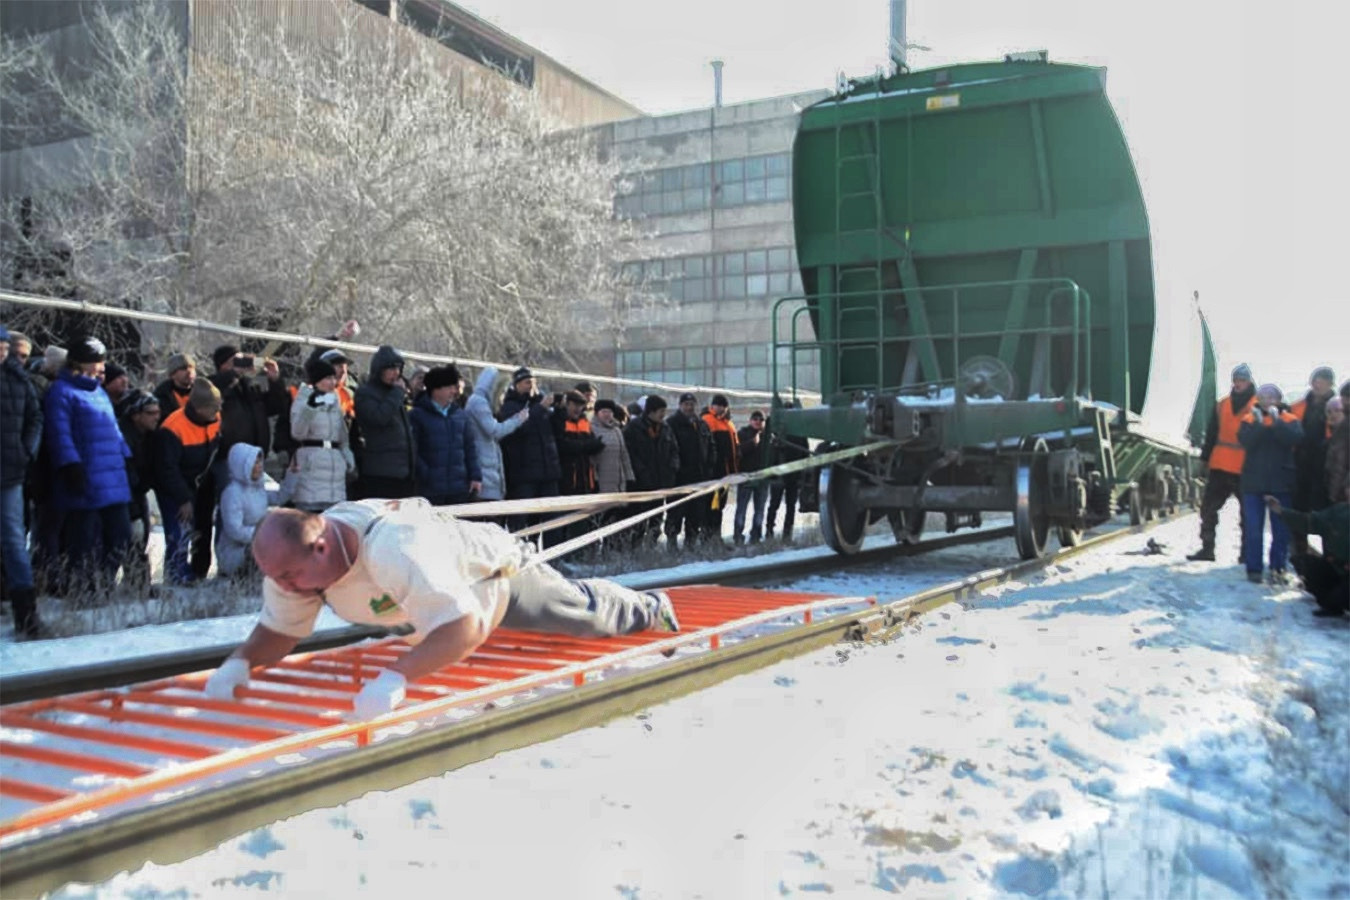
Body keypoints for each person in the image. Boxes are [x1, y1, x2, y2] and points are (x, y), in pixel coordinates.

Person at [202, 500, 681, 719]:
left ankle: (648, 606)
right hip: (433, 603)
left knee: (580, 616)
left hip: (493, 581)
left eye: (288, 577)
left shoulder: (397, 549)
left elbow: (465, 625)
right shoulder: (296, 564)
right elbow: (281, 627)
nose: (284, 588)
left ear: (323, 547)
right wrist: (241, 662)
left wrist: (396, 678)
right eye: (275, 578)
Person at [44, 335, 134, 592]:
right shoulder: (61, 392)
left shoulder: (99, 393)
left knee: (120, 537)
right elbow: (60, 434)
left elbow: (114, 429)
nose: (101, 367)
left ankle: (104, 583)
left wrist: (126, 456)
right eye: (96, 362)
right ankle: (82, 589)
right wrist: (71, 465)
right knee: (83, 540)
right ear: (80, 364)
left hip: (112, 476)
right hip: (85, 475)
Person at [155, 379, 223, 584]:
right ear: (199, 408)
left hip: (198, 483)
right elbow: (167, 469)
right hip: (174, 486)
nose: (217, 412)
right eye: (213, 408)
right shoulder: (172, 428)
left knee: (198, 527)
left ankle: (193, 571)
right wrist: (184, 499)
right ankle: (176, 575)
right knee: (179, 531)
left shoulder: (215, 418)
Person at [1188, 364, 1257, 562]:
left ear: (1249, 382)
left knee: (1248, 515)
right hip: (1220, 466)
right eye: (1236, 379)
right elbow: (1211, 434)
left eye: (1242, 380)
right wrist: (1204, 460)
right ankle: (1207, 549)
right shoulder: (1222, 405)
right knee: (1208, 509)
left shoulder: (1258, 405)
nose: (1238, 383)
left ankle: (1246, 554)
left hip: (1246, 469)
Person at [0, 324, 44, 637]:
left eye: (4, 347)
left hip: (10, 471)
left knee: (15, 540)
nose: (3, 353)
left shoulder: (18, 378)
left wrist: (27, 451)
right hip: (12, 469)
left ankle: (26, 615)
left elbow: (35, 417)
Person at [1237, 383, 1302, 583]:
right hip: (1253, 484)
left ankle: (1278, 567)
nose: (1266, 400)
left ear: (1279, 400)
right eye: (1263, 397)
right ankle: (1254, 569)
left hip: (1280, 483)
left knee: (1280, 530)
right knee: (1254, 528)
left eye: (1271, 397)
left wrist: (1275, 422)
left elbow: (1294, 439)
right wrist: (1258, 424)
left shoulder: (1289, 419)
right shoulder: (1249, 419)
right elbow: (1246, 442)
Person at [497, 367, 562, 533]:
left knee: (551, 519)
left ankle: (552, 555)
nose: (531, 386)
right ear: (517, 385)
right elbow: (518, 427)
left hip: (547, 472)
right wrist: (540, 408)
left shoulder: (542, 405)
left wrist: (559, 409)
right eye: (527, 383)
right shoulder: (510, 406)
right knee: (521, 519)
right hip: (523, 474)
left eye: (534, 383)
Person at [1267, 491, 1348, 617]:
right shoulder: (1338, 512)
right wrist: (1281, 511)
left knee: (1342, 593)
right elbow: (1309, 521)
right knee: (1303, 562)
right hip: (1338, 568)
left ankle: (1338, 600)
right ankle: (1332, 607)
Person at [289, 357, 356, 512]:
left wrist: (346, 454)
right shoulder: (303, 399)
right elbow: (297, 432)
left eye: (333, 377)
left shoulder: (335, 401)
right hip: (312, 467)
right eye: (328, 378)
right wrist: (310, 408)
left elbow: (342, 435)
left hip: (335, 472)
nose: (333, 382)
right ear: (316, 381)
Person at [410, 365, 482, 506]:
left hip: (459, 489)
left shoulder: (461, 416)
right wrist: (426, 474)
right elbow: (413, 450)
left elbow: (470, 448)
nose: (454, 391)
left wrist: (475, 476)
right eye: (449, 387)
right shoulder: (417, 415)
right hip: (430, 490)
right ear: (436, 388)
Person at [353, 345, 417, 500]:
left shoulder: (396, 394)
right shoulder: (366, 393)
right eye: (390, 369)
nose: (396, 373)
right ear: (379, 369)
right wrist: (397, 394)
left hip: (404, 471)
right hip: (381, 471)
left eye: (398, 368)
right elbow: (378, 418)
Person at [1289, 366, 1337, 555]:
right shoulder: (1297, 406)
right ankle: (1299, 554)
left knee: (1327, 515)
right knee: (1299, 511)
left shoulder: (1339, 406)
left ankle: (1331, 557)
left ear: (1330, 384)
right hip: (1300, 467)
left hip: (1327, 469)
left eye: (1323, 381)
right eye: (1316, 381)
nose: (1318, 385)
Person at [465, 367, 528, 503]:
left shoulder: (482, 403)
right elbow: (495, 431)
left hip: (489, 470)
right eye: (503, 390)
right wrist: (517, 420)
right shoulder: (478, 402)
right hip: (484, 472)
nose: (503, 395)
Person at [624, 395, 680, 548]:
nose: (663, 414)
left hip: (662, 483)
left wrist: (672, 468)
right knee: (639, 521)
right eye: (661, 411)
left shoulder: (666, 428)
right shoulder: (634, 428)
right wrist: (642, 473)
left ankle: (652, 547)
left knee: (657, 519)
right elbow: (630, 455)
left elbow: (674, 451)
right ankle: (635, 550)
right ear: (651, 411)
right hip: (641, 485)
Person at [119, 391, 161, 592]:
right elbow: (128, 477)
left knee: (139, 540)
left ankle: (139, 585)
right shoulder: (125, 437)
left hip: (137, 492)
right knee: (131, 539)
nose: (156, 416)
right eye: (150, 413)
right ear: (136, 415)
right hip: (124, 496)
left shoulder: (150, 436)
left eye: (157, 412)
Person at [216, 443, 269, 579]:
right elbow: (234, 530)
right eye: (254, 462)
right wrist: (261, 535)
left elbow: (280, 497)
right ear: (242, 464)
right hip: (234, 552)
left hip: (257, 543)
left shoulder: (258, 489)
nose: (259, 466)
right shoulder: (232, 493)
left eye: (259, 461)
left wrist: (293, 476)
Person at [666, 392, 713, 547]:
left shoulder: (701, 424)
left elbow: (711, 447)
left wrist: (709, 468)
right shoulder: (672, 423)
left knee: (695, 514)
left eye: (692, 404)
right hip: (680, 478)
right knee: (676, 514)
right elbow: (669, 450)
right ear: (680, 406)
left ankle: (690, 545)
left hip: (699, 477)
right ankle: (672, 544)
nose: (689, 407)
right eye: (686, 404)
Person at [766, 403, 810, 542]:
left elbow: (805, 454)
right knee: (775, 505)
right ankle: (769, 533)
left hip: (793, 475)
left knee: (789, 506)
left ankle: (786, 535)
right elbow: (771, 453)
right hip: (780, 474)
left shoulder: (799, 433)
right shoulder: (778, 431)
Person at [701, 394, 740, 543]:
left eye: (724, 406)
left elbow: (734, 449)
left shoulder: (729, 424)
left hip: (725, 474)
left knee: (720, 507)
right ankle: (707, 536)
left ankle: (716, 535)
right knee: (710, 507)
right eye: (719, 405)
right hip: (713, 474)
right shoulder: (707, 421)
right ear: (713, 406)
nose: (722, 409)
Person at [733, 410, 770, 544]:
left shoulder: (769, 436)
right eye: (755, 419)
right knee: (741, 509)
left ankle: (756, 535)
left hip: (763, 479)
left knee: (759, 510)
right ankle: (738, 536)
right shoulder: (742, 434)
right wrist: (753, 443)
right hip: (745, 477)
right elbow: (738, 452)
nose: (758, 421)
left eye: (761, 419)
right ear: (750, 420)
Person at [153, 352, 197, 422]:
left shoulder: (202, 392)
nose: (189, 371)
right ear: (172, 374)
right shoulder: (162, 396)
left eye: (191, 367)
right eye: (183, 368)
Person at [1327, 385, 1349, 504]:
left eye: (1337, 410)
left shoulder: (1345, 429)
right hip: (1337, 489)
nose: (1333, 415)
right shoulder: (1336, 432)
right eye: (1329, 411)